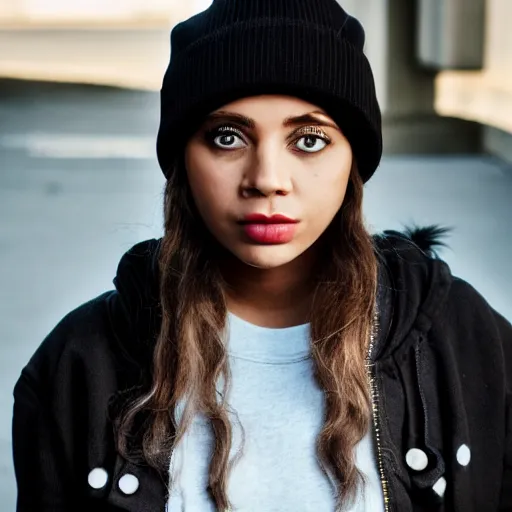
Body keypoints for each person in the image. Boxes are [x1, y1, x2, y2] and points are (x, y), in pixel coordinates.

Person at [11, 0, 512, 511]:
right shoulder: (79, 364)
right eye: (227, 137)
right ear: (183, 158)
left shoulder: (463, 338)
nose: (267, 179)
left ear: (352, 161)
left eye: (310, 140)